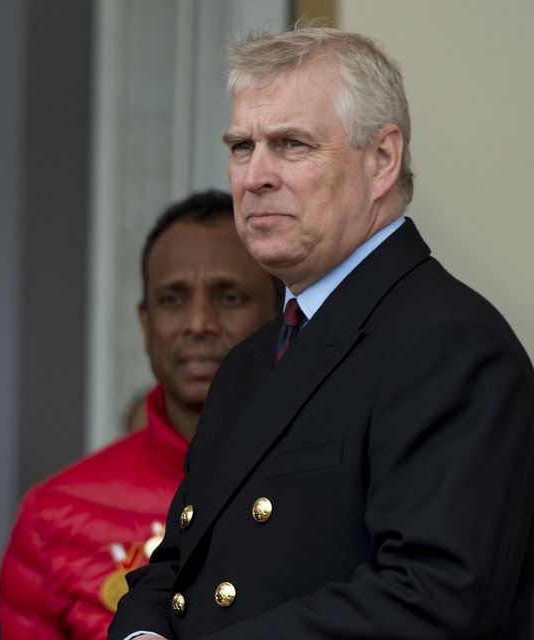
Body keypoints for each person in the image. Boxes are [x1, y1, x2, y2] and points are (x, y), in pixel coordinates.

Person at [109, 27, 534, 640]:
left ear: (382, 159)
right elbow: (179, 564)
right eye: (241, 146)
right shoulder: (253, 358)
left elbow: (434, 598)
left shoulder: (450, 345)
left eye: (290, 145)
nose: (254, 176)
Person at [0, 191, 281, 639]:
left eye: (229, 296)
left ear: (282, 318)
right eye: (172, 300)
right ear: (144, 324)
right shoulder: (53, 514)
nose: (198, 323)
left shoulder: (339, 483)